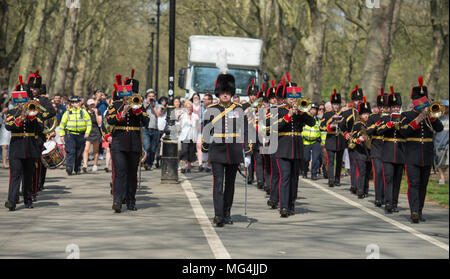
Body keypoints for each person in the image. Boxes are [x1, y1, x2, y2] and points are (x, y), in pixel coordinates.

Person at [202, 73, 251, 227]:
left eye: (228, 92)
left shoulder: (238, 109)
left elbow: (245, 130)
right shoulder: (211, 109)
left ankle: (227, 213)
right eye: (223, 92)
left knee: (230, 184)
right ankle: (218, 215)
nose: (225, 94)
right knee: (218, 183)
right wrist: (204, 149)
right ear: (219, 93)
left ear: (231, 93)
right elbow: (206, 131)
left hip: (234, 149)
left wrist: (247, 152)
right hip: (217, 149)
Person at [399, 76, 443, 223]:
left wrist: (431, 117)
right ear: (414, 102)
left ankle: (420, 210)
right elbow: (403, 131)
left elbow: (440, 128)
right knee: (414, 183)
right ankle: (414, 211)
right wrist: (418, 119)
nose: (424, 103)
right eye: (421, 100)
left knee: (423, 185)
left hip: (427, 155)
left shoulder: (431, 117)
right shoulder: (407, 115)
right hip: (412, 155)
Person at [106, 73, 150, 213]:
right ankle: (117, 201)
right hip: (119, 143)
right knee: (120, 172)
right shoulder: (116, 104)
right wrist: (122, 113)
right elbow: (110, 119)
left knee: (132, 173)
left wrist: (137, 111)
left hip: (134, 142)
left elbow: (146, 121)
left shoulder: (139, 104)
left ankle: (131, 201)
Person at [273, 75, 315, 217]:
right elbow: (273, 128)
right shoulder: (278, 110)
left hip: (296, 149)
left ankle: (291, 204)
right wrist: (288, 115)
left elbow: (312, 123)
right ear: (285, 98)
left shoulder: (301, 112)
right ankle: (283, 206)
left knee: (294, 178)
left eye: (294, 96)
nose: (292, 99)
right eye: (290, 96)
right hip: (282, 148)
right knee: (285, 176)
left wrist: (303, 112)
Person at [4, 84, 44, 210]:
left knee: (28, 175)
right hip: (16, 146)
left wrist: (31, 117)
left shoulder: (35, 111)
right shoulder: (12, 112)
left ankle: (28, 199)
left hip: (30, 147)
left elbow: (40, 128)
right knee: (15, 175)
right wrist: (20, 117)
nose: (22, 102)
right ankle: (11, 200)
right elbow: (9, 126)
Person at [377, 87, 405, 213]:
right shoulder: (385, 119)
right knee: (388, 178)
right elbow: (379, 130)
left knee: (397, 180)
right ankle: (388, 202)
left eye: (397, 106)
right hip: (387, 153)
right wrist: (390, 124)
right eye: (393, 106)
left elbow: (407, 134)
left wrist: (400, 126)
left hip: (400, 153)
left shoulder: (404, 118)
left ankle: (394, 203)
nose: (395, 108)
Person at [366, 88, 389, 207]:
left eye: (384, 107)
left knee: (387, 174)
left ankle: (386, 197)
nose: (382, 109)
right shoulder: (373, 117)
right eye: (380, 107)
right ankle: (378, 197)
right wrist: (376, 125)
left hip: (388, 148)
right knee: (378, 173)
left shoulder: (390, 117)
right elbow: (368, 131)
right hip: (376, 148)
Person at [59, 96, 92, 175]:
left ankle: (77, 168)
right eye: (73, 103)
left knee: (79, 153)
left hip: (81, 135)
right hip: (70, 134)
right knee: (71, 151)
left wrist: (87, 132)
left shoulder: (84, 112)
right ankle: (69, 167)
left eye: (76, 102)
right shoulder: (67, 113)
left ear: (80, 103)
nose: (75, 104)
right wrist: (61, 135)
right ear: (71, 103)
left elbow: (89, 123)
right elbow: (62, 125)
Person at [320, 90, 346, 187]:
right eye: (334, 104)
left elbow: (346, 126)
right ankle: (331, 179)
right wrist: (331, 123)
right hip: (330, 139)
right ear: (331, 105)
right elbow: (321, 127)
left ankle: (337, 179)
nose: (336, 106)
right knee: (330, 161)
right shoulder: (327, 114)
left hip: (340, 139)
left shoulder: (343, 114)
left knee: (339, 161)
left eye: (337, 104)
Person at [341, 85, 364, 192]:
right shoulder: (347, 113)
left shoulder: (366, 112)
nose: (357, 102)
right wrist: (345, 133)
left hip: (364, 141)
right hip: (352, 142)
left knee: (362, 165)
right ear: (352, 101)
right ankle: (354, 185)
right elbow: (341, 126)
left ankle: (361, 186)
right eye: (355, 100)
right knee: (353, 164)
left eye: (359, 99)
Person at [348, 98, 372, 199]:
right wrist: (359, 139)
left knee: (367, 172)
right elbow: (352, 138)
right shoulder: (357, 124)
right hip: (359, 151)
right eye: (364, 113)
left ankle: (365, 190)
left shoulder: (371, 124)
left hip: (369, 151)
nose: (366, 115)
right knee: (362, 170)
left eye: (367, 113)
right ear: (360, 115)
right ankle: (360, 190)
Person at [302, 103, 322, 180]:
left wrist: (323, 142)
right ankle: (305, 171)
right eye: (311, 109)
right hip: (306, 141)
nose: (313, 111)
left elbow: (322, 130)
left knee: (315, 158)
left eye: (314, 109)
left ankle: (314, 174)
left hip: (316, 141)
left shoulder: (318, 119)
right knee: (306, 158)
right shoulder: (304, 119)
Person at [179, 100, 200, 173]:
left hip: (193, 136)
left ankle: (189, 167)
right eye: (187, 107)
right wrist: (181, 113)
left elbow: (198, 126)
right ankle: (183, 166)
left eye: (190, 107)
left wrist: (197, 122)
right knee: (184, 151)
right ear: (185, 108)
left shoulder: (195, 116)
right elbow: (178, 120)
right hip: (185, 136)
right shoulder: (183, 115)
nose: (189, 109)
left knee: (191, 152)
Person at [82, 99, 103, 172]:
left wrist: (96, 113)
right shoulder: (85, 112)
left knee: (95, 151)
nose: (92, 106)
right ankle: (85, 164)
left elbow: (99, 123)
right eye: (90, 105)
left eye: (93, 104)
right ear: (88, 106)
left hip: (96, 132)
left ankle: (95, 165)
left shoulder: (98, 112)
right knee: (86, 149)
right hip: (88, 132)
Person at [143, 89, 161, 170]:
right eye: (149, 96)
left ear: (155, 97)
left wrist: (153, 106)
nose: (151, 98)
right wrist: (146, 104)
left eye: (152, 96)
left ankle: (150, 163)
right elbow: (140, 112)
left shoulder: (158, 105)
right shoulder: (143, 104)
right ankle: (146, 163)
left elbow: (158, 114)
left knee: (153, 149)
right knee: (147, 147)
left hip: (155, 130)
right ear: (146, 97)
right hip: (146, 129)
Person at [434, 99, 449, 185]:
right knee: (440, 163)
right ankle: (442, 177)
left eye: (447, 107)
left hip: (448, 144)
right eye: (445, 107)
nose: (446, 109)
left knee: (448, 161)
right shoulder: (437, 118)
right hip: (438, 144)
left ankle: (442, 177)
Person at [200, 93, 213, 172]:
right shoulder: (205, 110)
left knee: (211, 149)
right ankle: (207, 164)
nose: (203, 100)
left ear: (210, 100)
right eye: (203, 99)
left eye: (205, 99)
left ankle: (209, 165)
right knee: (206, 148)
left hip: (212, 133)